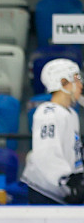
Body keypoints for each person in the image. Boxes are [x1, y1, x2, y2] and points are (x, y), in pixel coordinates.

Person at [21, 58, 84, 204]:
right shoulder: (48, 113)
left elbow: (72, 150)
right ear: (63, 83)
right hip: (45, 191)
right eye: (76, 79)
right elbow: (46, 153)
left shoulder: (71, 114)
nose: (80, 85)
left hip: (62, 190)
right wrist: (67, 180)